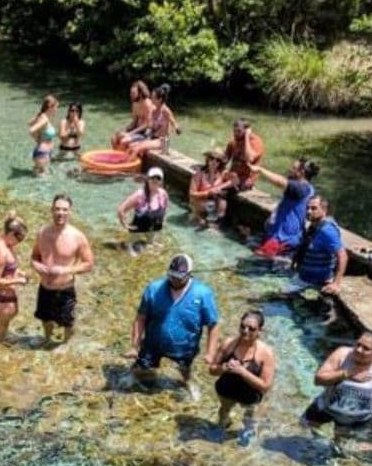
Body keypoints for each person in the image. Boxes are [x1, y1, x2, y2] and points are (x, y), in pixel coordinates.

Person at [126, 254, 220, 400]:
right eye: (171, 275)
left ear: (189, 275)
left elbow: (213, 325)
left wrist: (211, 353)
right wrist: (134, 346)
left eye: (179, 277)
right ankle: (131, 375)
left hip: (184, 347)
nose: (174, 280)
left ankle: (188, 382)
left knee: (184, 369)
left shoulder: (203, 294)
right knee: (141, 366)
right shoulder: (154, 289)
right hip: (153, 343)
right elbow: (140, 318)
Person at [302, 330, 372, 434]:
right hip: (324, 409)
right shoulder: (342, 354)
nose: (359, 350)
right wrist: (346, 374)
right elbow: (318, 380)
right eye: (358, 344)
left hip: (357, 419)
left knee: (341, 445)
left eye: (366, 348)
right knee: (304, 430)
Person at [31, 193, 95, 345]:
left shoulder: (77, 236)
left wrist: (65, 270)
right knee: (45, 318)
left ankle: (66, 344)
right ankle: (46, 339)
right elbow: (34, 257)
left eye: (65, 210)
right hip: (45, 287)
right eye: (57, 209)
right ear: (51, 210)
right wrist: (37, 265)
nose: (61, 213)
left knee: (67, 322)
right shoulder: (42, 233)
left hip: (65, 289)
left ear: (70, 212)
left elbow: (89, 263)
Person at [209, 309, 275, 445]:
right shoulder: (228, 344)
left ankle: (247, 431)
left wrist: (242, 372)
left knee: (249, 416)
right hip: (226, 390)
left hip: (250, 395)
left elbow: (265, 386)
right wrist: (225, 367)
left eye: (251, 328)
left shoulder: (266, 353)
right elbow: (212, 370)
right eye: (242, 326)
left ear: (260, 330)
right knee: (224, 410)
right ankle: (222, 426)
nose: (245, 331)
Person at [277, 196, 347, 299]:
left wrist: (336, 283)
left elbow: (343, 256)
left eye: (314, 208)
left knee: (279, 297)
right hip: (304, 277)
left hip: (316, 281)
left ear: (324, 210)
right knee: (280, 296)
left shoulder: (327, 231)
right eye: (307, 208)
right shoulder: (313, 226)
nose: (309, 211)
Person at [251, 158, 319, 258]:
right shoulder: (308, 188)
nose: (290, 170)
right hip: (281, 237)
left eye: (294, 168)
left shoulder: (301, 188)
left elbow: (280, 182)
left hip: (282, 239)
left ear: (302, 172)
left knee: (252, 266)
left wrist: (260, 170)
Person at [0, 211, 29, 343]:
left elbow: (8, 268)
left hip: (8, 293)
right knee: (6, 316)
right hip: (3, 297)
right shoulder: (1, 252)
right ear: (11, 234)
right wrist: (17, 280)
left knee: (11, 313)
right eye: (20, 239)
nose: (20, 242)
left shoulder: (7, 242)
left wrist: (18, 271)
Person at [127, 84, 180, 158]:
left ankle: (127, 166)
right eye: (151, 97)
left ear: (160, 99)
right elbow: (150, 125)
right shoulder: (153, 110)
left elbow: (174, 123)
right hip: (152, 138)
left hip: (162, 141)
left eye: (153, 98)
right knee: (131, 146)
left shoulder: (165, 111)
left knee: (137, 148)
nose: (151, 99)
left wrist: (177, 129)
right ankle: (129, 164)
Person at [117, 167, 169, 232]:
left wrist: (164, 221)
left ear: (161, 181)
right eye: (152, 177)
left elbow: (165, 209)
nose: (155, 180)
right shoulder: (140, 195)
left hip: (153, 231)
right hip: (137, 234)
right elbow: (121, 209)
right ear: (147, 179)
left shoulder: (163, 194)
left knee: (151, 241)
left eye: (158, 178)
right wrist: (125, 225)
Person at [189, 148, 228, 225]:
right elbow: (192, 194)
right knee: (198, 223)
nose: (214, 162)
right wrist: (208, 193)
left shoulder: (222, 174)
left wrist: (221, 187)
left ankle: (216, 223)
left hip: (214, 206)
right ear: (207, 159)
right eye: (212, 158)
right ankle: (199, 218)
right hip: (200, 204)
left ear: (220, 163)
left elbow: (235, 180)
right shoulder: (199, 174)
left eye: (218, 160)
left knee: (223, 203)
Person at [223, 118, 264, 193]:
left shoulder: (256, 142)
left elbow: (249, 158)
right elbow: (225, 160)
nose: (236, 134)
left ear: (247, 131)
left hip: (245, 181)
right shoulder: (234, 141)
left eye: (239, 131)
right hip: (232, 176)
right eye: (234, 131)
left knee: (220, 190)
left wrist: (246, 137)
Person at [112, 81, 154, 149]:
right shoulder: (135, 104)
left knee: (123, 141)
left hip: (144, 133)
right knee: (114, 138)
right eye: (131, 93)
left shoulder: (147, 104)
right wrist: (125, 129)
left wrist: (130, 133)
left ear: (140, 93)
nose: (131, 95)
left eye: (133, 93)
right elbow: (134, 121)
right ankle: (117, 156)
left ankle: (124, 158)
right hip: (136, 130)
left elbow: (147, 124)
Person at [28, 95, 59, 175]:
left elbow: (29, 123)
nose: (56, 110)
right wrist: (37, 139)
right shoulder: (44, 119)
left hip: (43, 152)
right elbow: (31, 130)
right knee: (43, 179)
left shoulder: (42, 116)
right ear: (50, 107)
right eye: (56, 107)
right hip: (42, 152)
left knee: (41, 175)